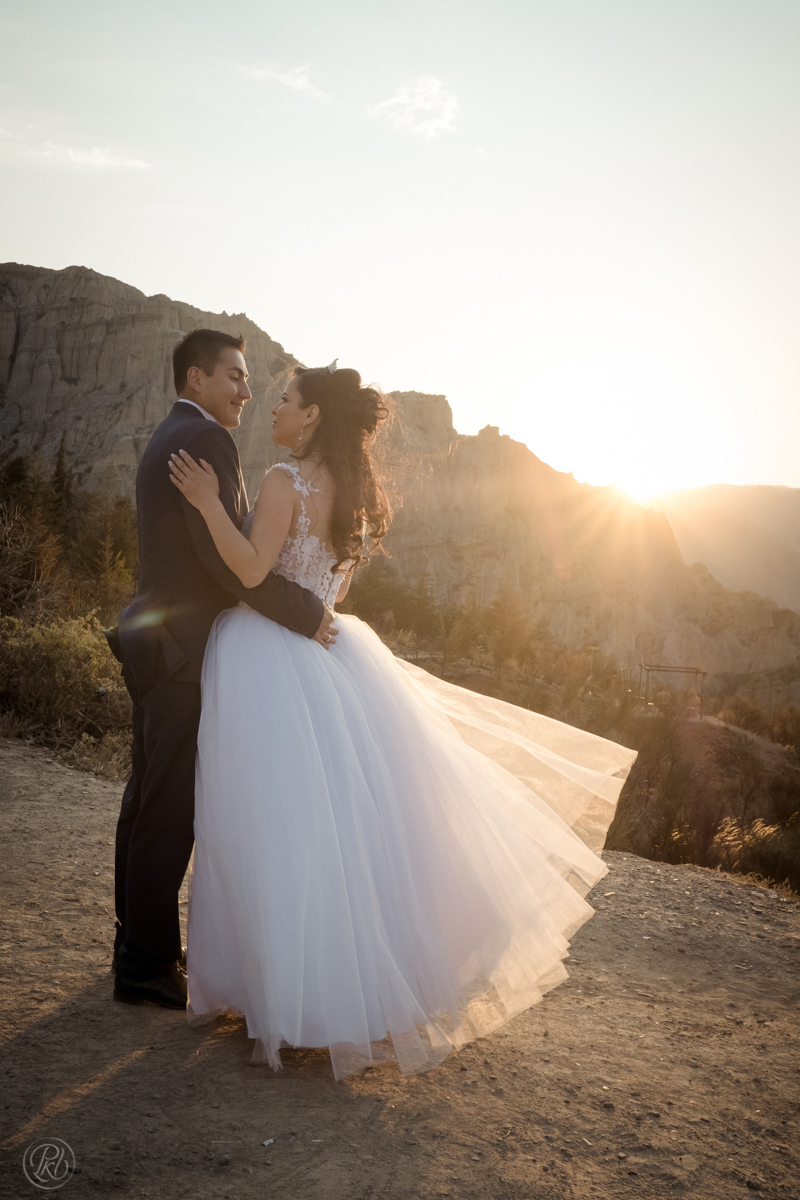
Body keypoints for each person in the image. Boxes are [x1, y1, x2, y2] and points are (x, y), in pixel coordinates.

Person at [168, 363, 637, 1078]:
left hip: (266, 659)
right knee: (341, 831)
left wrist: (205, 503)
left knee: (271, 827)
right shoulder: (353, 498)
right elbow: (329, 587)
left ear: (314, 415)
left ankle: (282, 994)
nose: (273, 412)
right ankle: (325, 999)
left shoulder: (280, 482)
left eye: (287, 401)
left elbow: (255, 572)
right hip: (328, 658)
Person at [111, 330, 336, 1010]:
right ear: (196, 377)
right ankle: (147, 964)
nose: (245, 390)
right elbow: (227, 563)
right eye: (233, 376)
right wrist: (306, 611)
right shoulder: (206, 441)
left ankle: (135, 948)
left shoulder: (173, 433)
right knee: (170, 806)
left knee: (146, 797)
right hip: (180, 648)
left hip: (157, 639)